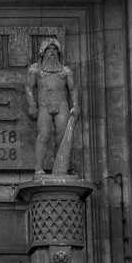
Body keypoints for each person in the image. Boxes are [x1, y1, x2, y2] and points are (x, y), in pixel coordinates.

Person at [25, 38, 79, 175]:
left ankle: (60, 168)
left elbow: (73, 89)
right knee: (43, 135)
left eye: (55, 49)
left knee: (62, 137)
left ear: (59, 52)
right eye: (49, 49)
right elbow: (29, 88)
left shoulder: (65, 71)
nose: (52, 52)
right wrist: (32, 105)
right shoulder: (35, 70)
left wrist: (76, 105)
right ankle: (38, 168)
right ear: (42, 52)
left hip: (62, 106)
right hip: (44, 106)